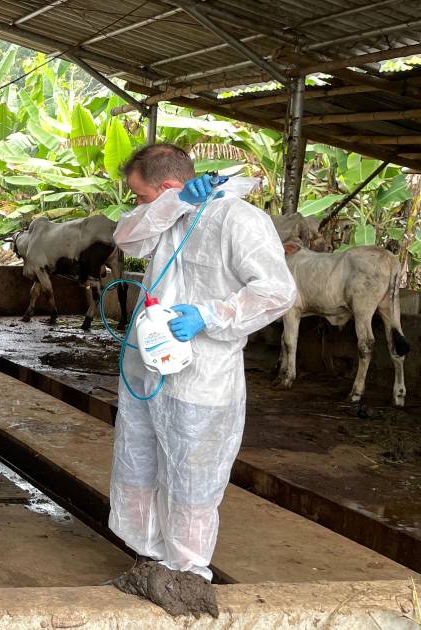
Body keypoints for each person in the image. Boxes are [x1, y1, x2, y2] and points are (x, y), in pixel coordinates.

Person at [108, 144, 297, 616]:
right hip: (148, 369)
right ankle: (149, 561)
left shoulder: (239, 220)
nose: (136, 205)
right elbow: (126, 238)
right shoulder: (170, 215)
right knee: (140, 465)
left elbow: (277, 293)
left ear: (166, 185)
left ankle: (187, 576)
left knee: (192, 478)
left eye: (140, 195)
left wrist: (210, 315)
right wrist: (173, 204)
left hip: (201, 377)